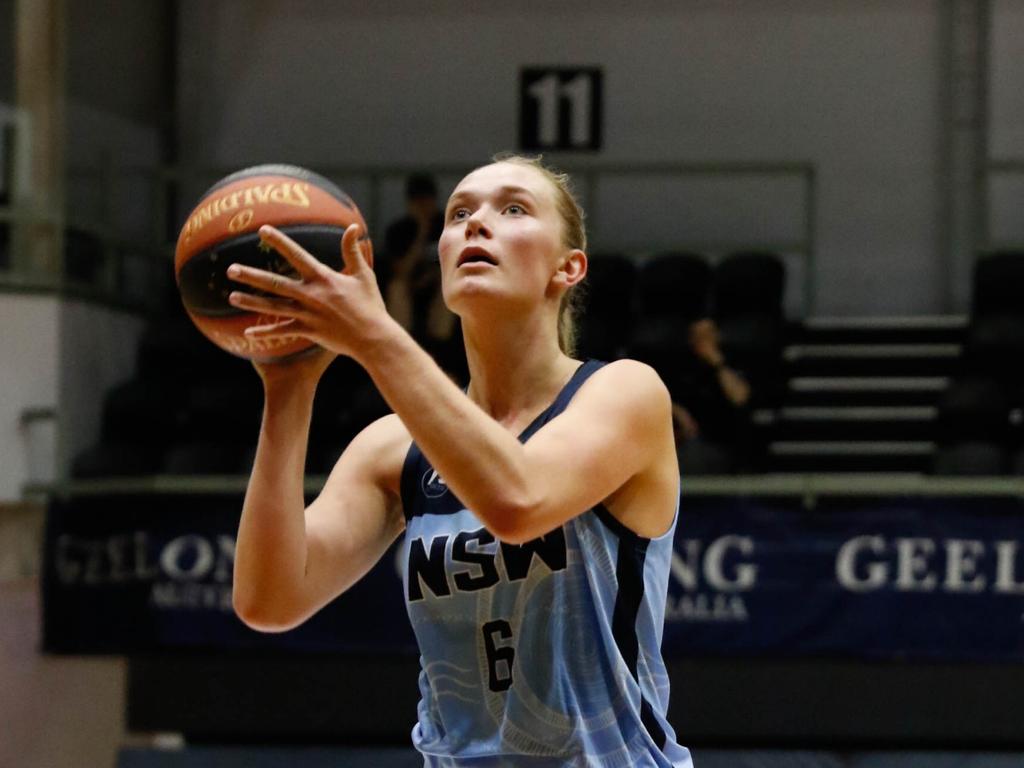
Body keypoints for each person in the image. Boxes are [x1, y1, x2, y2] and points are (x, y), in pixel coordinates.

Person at [225, 154, 693, 767]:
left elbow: (518, 503)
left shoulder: (624, 394)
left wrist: (375, 336)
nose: (476, 224)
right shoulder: (393, 448)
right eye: (460, 213)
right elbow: (269, 598)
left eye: (514, 209)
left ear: (568, 267)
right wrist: (288, 389)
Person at [382, 173, 466, 383]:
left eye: (426, 200)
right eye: (417, 201)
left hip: (440, 291)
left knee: (447, 286)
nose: (422, 205)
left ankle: (440, 356)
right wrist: (421, 231)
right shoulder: (398, 230)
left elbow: (456, 265)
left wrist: (432, 277)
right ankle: (401, 348)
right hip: (410, 293)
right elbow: (400, 271)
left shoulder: (449, 228)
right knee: (397, 287)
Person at [671, 318, 754, 472]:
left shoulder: (731, 363)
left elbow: (739, 397)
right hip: (688, 441)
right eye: (697, 336)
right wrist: (678, 411)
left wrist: (717, 364)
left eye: (707, 335)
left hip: (724, 443)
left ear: (717, 336)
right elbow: (662, 398)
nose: (702, 341)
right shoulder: (682, 367)